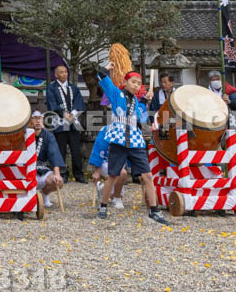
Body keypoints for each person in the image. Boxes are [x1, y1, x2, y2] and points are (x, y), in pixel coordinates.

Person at [96, 61, 168, 224]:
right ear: (125, 83)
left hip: (135, 139)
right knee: (113, 175)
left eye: (138, 83)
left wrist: (145, 102)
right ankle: (103, 206)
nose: (136, 86)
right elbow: (100, 75)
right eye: (133, 82)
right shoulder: (115, 93)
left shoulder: (136, 101)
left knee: (147, 175)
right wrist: (108, 68)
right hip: (119, 138)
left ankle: (154, 211)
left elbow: (140, 118)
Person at [44, 65, 86, 183]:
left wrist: (72, 114)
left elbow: (79, 102)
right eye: (61, 72)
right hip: (59, 123)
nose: (64, 74)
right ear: (56, 75)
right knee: (61, 150)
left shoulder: (73, 87)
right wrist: (63, 114)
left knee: (76, 150)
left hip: (73, 122)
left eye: (65, 72)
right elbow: (52, 103)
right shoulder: (51, 88)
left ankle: (79, 174)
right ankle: (63, 174)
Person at [30, 111, 65, 209]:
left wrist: (57, 175)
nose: (38, 121)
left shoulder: (48, 135)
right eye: (35, 118)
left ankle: (44, 195)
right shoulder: (25, 133)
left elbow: (54, 154)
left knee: (58, 182)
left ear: (43, 120)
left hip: (42, 169)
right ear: (30, 120)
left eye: (40, 118)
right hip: (26, 170)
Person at [88, 124, 126, 209]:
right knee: (122, 173)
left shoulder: (129, 129)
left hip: (119, 161)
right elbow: (98, 150)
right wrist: (97, 171)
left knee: (113, 193)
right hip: (105, 161)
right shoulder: (105, 130)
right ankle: (117, 198)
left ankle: (102, 188)